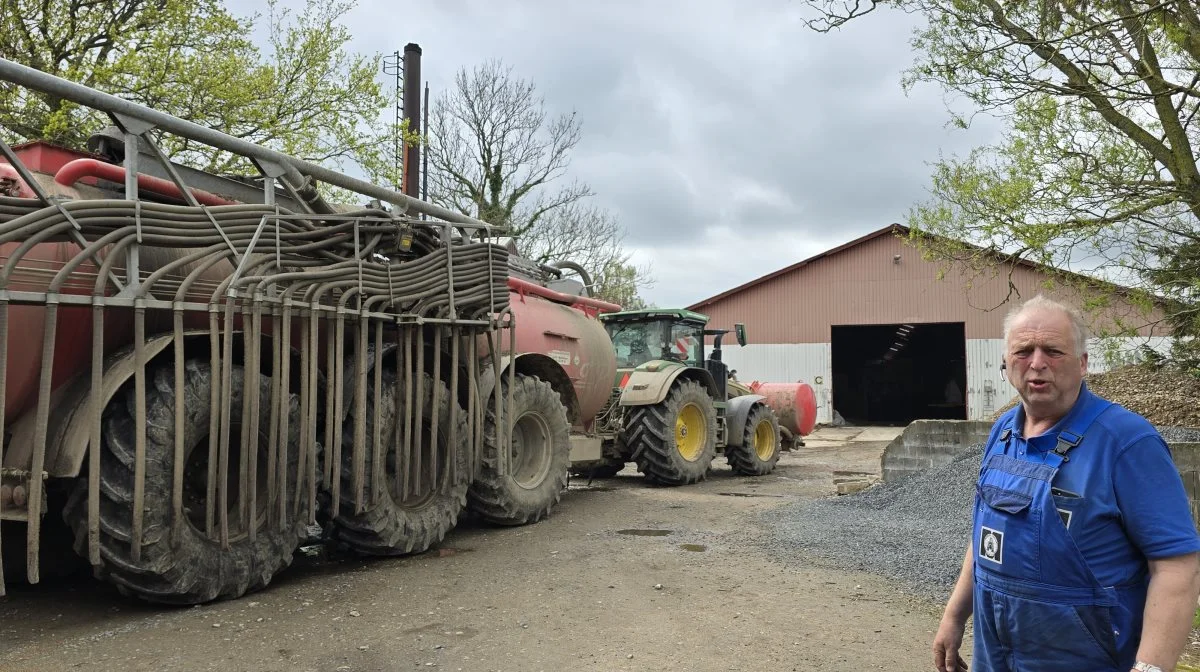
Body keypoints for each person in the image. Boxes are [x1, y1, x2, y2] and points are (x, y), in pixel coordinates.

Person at [932, 295, 1200, 672]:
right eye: (1024, 350)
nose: (1037, 363)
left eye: (1054, 351)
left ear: (1083, 363)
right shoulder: (1002, 433)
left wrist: (1151, 669)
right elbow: (985, 537)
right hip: (995, 656)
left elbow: (1176, 566)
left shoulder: (1127, 442)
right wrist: (954, 616)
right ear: (1006, 363)